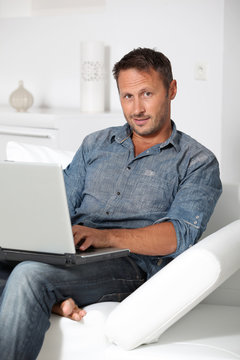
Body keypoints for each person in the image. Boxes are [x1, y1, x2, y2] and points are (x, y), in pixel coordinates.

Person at [0, 48, 222, 359]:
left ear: (171, 90)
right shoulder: (96, 144)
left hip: (129, 266)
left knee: (29, 275)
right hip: (74, 254)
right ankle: (50, 300)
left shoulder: (197, 161)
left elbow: (180, 236)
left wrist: (106, 237)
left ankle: (41, 292)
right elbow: (58, 202)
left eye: (147, 93)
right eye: (127, 97)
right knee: (20, 266)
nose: (137, 108)